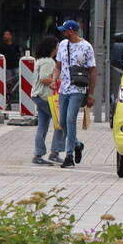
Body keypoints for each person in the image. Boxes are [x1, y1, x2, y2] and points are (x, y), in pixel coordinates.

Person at [53, 20, 96, 168]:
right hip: (63, 89)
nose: (62, 32)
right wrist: (54, 78)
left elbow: (92, 71)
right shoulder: (63, 45)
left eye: (64, 30)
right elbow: (58, 66)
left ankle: (69, 155)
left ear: (71, 31)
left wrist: (90, 94)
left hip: (78, 89)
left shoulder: (86, 47)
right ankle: (77, 144)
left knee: (71, 119)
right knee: (62, 121)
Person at [31, 36, 63, 165]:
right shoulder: (48, 62)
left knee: (43, 126)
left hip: (39, 96)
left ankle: (38, 155)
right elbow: (44, 78)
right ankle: (55, 152)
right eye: (57, 46)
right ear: (52, 48)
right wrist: (56, 81)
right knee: (60, 122)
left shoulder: (41, 60)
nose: (58, 49)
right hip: (44, 97)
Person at [0, 30, 21, 110]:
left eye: (8, 35)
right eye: (5, 35)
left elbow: (20, 54)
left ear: (11, 36)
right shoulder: (2, 47)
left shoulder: (15, 46)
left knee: (19, 82)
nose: (6, 36)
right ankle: (9, 100)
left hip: (16, 67)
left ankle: (16, 95)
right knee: (9, 84)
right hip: (7, 68)